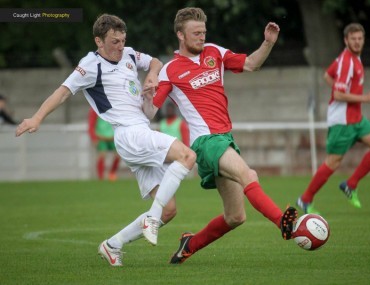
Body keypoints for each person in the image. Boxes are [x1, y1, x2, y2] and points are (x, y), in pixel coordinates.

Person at [15, 14, 196, 267]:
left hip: (140, 131)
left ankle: (113, 245)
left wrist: (152, 76)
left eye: (123, 40)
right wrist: (37, 118)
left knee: (169, 210)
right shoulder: (90, 65)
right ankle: (151, 218)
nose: (120, 46)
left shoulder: (130, 55)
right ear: (98, 41)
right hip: (129, 133)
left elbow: (155, 61)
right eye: (114, 42)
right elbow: (63, 92)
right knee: (187, 156)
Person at [142, 7, 297, 264]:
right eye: (196, 33)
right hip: (206, 142)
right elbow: (149, 113)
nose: (202, 37)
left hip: (225, 139)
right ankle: (283, 222)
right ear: (180, 35)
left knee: (235, 216)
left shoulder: (215, 52)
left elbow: (251, 64)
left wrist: (268, 43)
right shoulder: (170, 70)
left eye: (203, 32)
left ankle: (189, 245)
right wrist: (147, 96)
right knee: (249, 175)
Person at [296, 23, 370, 214]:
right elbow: (338, 95)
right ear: (346, 40)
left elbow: (327, 76)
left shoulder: (351, 58)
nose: (357, 42)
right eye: (353, 39)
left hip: (356, 118)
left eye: (360, 38)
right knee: (333, 163)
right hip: (342, 122)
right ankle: (305, 199)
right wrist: (366, 98)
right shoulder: (347, 62)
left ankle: (350, 185)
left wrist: (342, 88)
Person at [88, 107, 120, 181]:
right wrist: (93, 138)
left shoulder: (114, 106)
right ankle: (101, 177)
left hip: (112, 137)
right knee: (102, 154)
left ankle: (112, 173)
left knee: (118, 154)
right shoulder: (94, 108)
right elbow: (91, 124)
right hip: (101, 137)